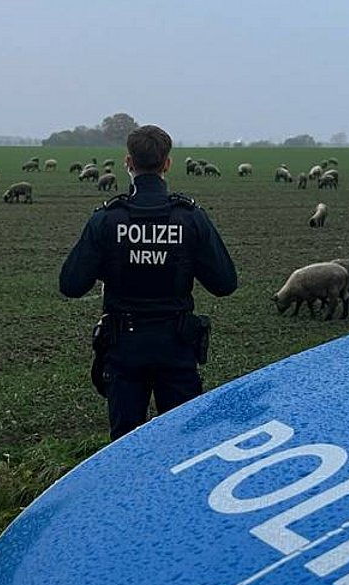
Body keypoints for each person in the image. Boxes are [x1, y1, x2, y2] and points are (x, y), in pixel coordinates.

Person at [59, 125, 238, 440]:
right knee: (186, 444)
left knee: (126, 448)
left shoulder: (107, 219)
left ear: (128, 163)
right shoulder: (191, 217)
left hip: (123, 349)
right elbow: (225, 283)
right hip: (176, 346)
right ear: (167, 164)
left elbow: (71, 285)